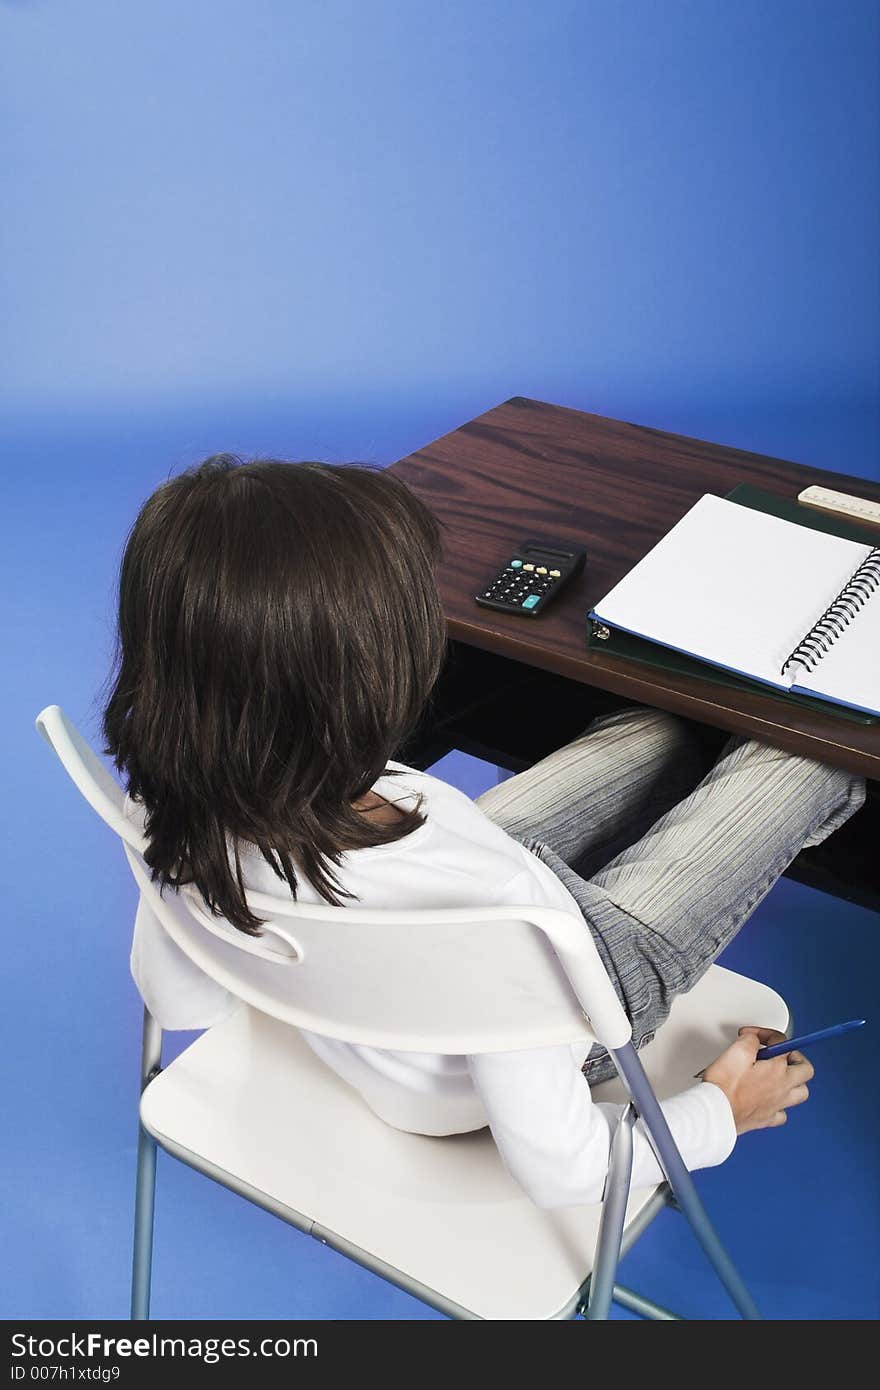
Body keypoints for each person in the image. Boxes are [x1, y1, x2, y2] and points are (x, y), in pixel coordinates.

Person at [103, 455, 864, 1208]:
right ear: (370, 682)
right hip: (541, 974)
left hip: (424, 909)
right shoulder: (496, 906)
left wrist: (303, 972)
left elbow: (183, 1004)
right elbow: (564, 1171)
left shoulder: (171, 805)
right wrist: (720, 1112)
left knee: (666, 726)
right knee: (803, 754)